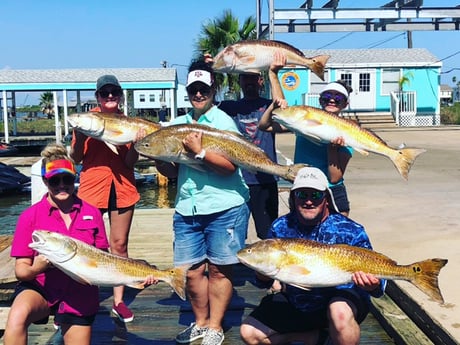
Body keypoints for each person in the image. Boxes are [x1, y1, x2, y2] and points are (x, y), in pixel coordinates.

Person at [154, 60, 250, 345]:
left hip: (225, 205)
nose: (198, 94)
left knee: (221, 268)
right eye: (194, 89)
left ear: (213, 89)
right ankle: (200, 322)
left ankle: (216, 327)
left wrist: (199, 153)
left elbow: (230, 168)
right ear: (187, 90)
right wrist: (159, 156)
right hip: (187, 206)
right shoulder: (176, 125)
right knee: (191, 270)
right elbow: (171, 172)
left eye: (203, 89)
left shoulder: (223, 123)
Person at [239, 167, 386, 345]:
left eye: (315, 195)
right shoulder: (280, 227)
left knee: (339, 313)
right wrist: (262, 274)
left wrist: (373, 286)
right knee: (249, 332)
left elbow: (379, 285)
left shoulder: (351, 230)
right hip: (297, 302)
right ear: (293, 197)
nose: (308, 201)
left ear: (326, 199)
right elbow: (263, 283)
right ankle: (316, 338)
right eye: (302, 194)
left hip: (342, 298)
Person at [4, 144, 109, 345]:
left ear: (75, 178)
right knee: (17, 316)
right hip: (41, 287)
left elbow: (102, 257)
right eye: (54, 180)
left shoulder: (92, 213)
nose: (62, 185)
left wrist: (139, 276)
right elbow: (21, 271)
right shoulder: (30, 216)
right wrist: (38, 267)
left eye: (67, 179)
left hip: (80, 293)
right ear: (45, 181)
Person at [70, 74, 142, 323]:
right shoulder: (86, 120)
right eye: (104, 93)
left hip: (123, 188)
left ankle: (118, 301)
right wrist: (79, 136)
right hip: (92, 189)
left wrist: (136, 145)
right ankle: (78, 297)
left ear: (120, 95)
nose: (109, 96)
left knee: (119, 245)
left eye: (114, 92)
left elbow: (129, 162)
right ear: (98, 97)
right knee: (85, 243)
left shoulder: (129, 122)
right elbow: (77, 158)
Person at [214, 52, 286, 240]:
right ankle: (236, 268)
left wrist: (274, 73)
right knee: (235, 234)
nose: (250, 83)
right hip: (238, 180)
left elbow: (281, 105)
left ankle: (266, 269)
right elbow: (205, 100)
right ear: (241, 82)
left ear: (260, 81)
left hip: (265, 179)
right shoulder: (230, 107)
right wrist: (210, 69)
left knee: (268, 233)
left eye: (253, 78)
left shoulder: (268, 105)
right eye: (245, 78)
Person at [259, 80, 354, 217]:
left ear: (346, 104)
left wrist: (332, 149)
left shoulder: (348, 132)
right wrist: (272, 107)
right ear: (320, 100)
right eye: (327, 97)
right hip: (303, 187)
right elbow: (264, 126)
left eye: (338, 98)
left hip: (332, 190)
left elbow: (334, 178)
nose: (332, 100)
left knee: (336, 236)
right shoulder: (304, 122)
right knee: (301, 236)